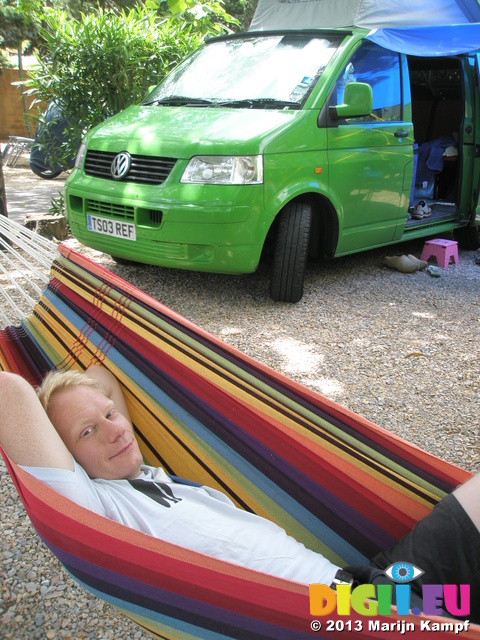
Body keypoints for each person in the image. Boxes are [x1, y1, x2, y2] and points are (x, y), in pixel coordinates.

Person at [0, 366, 479, 621]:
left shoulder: (150, 475)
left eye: (110, 414)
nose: (113, 431)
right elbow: (10, 394)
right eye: (87, 433)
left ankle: (451, 604)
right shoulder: (100, 510)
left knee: (469, 526)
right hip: (338, 619)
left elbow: (102, 374)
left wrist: (80, 403)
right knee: (453, 616)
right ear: (67, 465)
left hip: (376, 589)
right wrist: (54, 403)